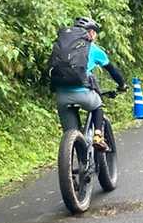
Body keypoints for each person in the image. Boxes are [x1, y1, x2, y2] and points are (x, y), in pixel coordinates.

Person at [49, 16, 126, 146]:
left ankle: (74, 149)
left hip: (62, 96)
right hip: (84, 94)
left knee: (71, 132)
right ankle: (98, 136)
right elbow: (112, 70)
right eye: (95, 32)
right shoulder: (93, 48)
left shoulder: (62, 47)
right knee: (98, 105)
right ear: (91, 32)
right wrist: (122, 85)